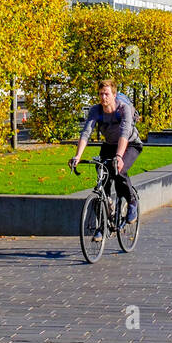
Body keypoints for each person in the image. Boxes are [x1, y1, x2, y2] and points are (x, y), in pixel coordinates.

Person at [69, 79, 142, 240]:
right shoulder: (96, 110)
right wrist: (78, 156)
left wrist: (118, 156)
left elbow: (124, 133)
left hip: (130, 144)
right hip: (109, 145)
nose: (103, 97)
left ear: (114, 95)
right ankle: (102, 226)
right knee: (102, 185)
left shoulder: (123, 109)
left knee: (119, 171)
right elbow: (86, 133)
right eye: (101, 94)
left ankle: (132, 203)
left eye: (107, 94)